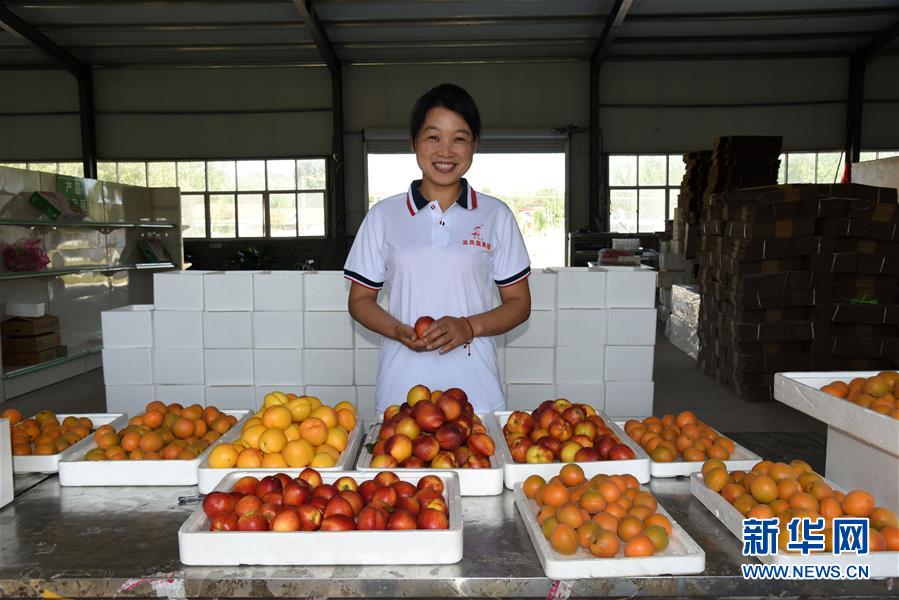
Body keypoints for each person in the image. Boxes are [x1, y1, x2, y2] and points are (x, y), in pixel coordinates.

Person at [344, 83, 532, 415]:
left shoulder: (495, 215)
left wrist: (468, 326)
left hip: (477, 394)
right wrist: (397, 330)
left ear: (474, 145)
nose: (446, 151)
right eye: (433, 137)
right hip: (401, 393)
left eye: (459, 138)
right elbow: (360, 300)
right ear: (413, 142)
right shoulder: (383, 216)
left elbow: (519, 304)